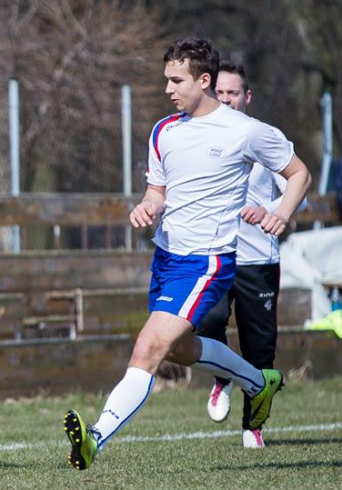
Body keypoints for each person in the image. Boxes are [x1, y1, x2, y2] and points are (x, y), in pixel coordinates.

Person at [62, 38, 312, 471]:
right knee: (178, 350)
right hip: (166, 258)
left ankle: (95, 439)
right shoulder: (164, 131)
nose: (168, 89)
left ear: (204, 80)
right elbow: (158, 190)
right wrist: (148, 205)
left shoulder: (244, 130)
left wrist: (282, 213)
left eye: (176, 80)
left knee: (149, 348)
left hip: (207, 261)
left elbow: (298, 172)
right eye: (166, 80)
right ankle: (258, 383)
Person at [197, 61, 308, 449]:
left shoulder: (262, 137)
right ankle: (223, 376)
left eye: (233, 93)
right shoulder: (200, 135)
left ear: (247, 97)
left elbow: (298, 185)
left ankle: (253, 426)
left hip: (259, 260)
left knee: (260, 349)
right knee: (205, 321)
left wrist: (274, 212)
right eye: (220, 92)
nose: (225, 98)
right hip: (215, 255)